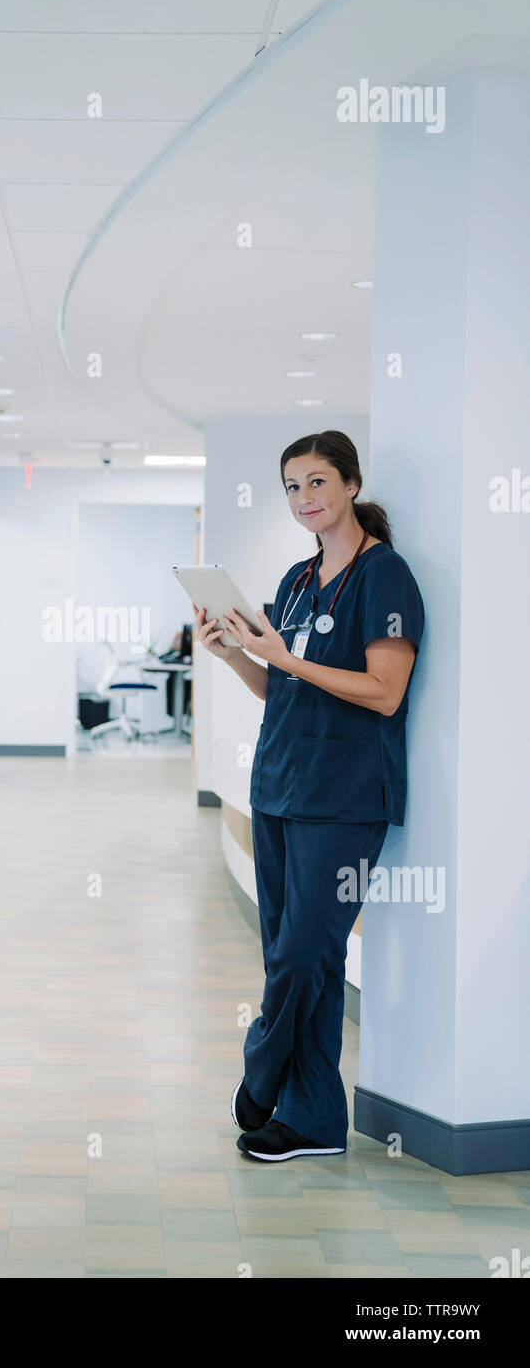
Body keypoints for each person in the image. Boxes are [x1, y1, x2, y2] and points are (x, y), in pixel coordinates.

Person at [193, 430, 424, 1161]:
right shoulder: (295, 582)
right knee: (297, 961)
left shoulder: (383, 576)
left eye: (318, 482)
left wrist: (287, 657)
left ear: (351, 485)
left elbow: (385, 694)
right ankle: (313, 1121)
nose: (305, 500)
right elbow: (277, 685)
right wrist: (234, 652)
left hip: (346, 796)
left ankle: (261, 1074)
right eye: (292, 487)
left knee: (301, 955)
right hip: (280, 784)